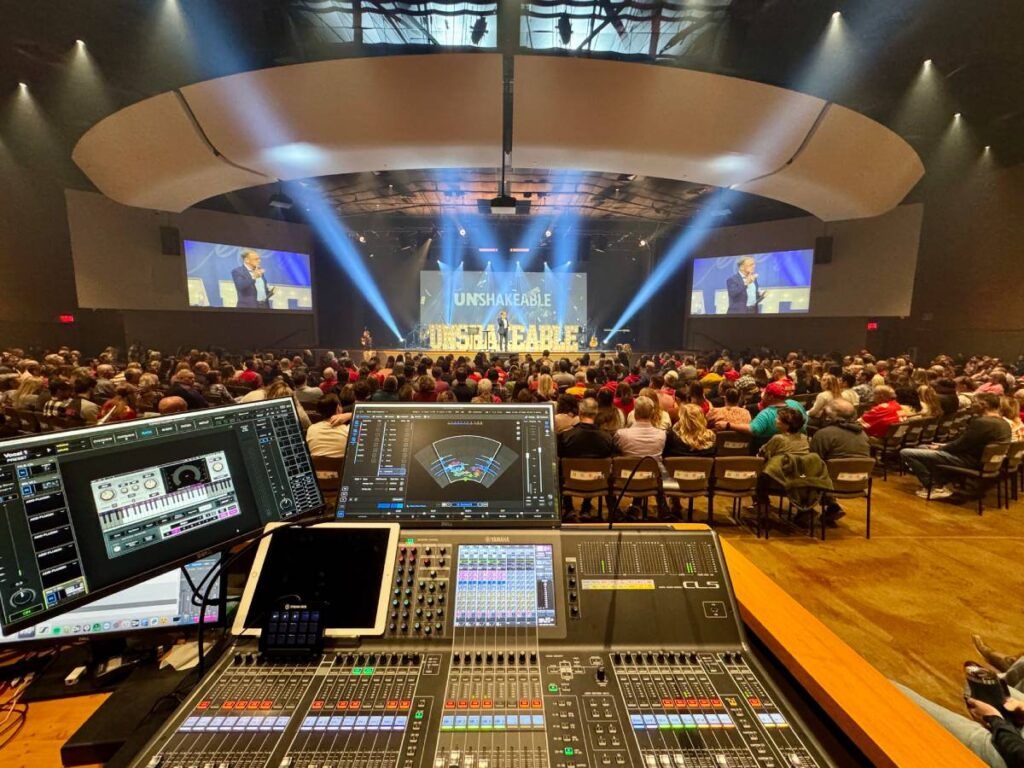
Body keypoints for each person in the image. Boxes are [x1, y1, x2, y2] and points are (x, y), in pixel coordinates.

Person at [900, 392, 1011, 499]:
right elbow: (966, 443)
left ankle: (934, 487)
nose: (972, 405)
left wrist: (941, 447)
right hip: (983, 461)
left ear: (983, 405)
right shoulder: (1004, 423)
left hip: (969, 461)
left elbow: (961, 445)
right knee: (922, 448)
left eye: (974, 402)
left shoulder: (983, 422)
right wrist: (944, 445)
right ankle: (939, 482)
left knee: (906, 453)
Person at [722, 382, 807, 450]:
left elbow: (753, 430)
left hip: (770, 451)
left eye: (765, 393)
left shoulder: (766, 414)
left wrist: (728, 425)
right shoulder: (795, 403)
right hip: (797, 446)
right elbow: (806, 421)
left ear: (770, 397)